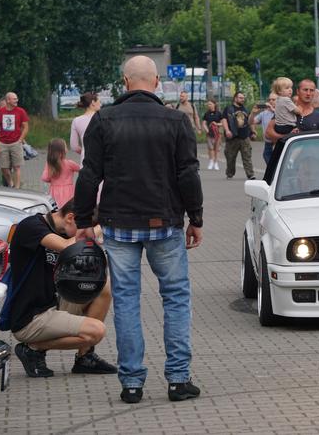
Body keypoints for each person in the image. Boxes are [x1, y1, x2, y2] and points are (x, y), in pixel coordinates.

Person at [74, 55, 203, 404]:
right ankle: (178, 380)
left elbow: (89, 175)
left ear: (126, 82)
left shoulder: (104, 119)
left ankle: (131, 383)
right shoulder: (175, 120)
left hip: (118, 225)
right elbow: (188, 174)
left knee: (127, 301)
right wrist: (197, 219)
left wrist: (84, 221)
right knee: (175, 298)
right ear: (157, 82)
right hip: (166, 224)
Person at [10, 199, 117, 378]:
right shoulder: (31, 227)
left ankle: (85, 358)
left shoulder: (64, 230)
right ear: (70, 218)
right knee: (96, 331)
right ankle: (33, 348)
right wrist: (100, 227)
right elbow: (67, 246)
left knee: (104, 287)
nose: (84, 236)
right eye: (84, 230)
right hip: (31, 318)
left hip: (55, 303)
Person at [0, 91, 29, 188]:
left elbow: (25, 126)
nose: (16, 100)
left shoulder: (21, 111)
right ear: (8, 100)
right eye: (14, 99)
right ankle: (11, 183)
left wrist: (20, 139)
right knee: (3, 167)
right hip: (3, 142)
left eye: (16, 98)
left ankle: (17, 188)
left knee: (17, 166)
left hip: (16, 142)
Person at [222, 91, 255, 180]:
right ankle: (230, 173)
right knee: (230, 157)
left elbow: (250, 122)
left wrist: (252, 132)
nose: (242, 99)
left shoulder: (245, 109)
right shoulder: (228, 109)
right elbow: (224, 120)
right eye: (240, 98)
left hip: (244, 137)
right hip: (233, 137)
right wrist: (227, 130)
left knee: (247, 156)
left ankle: (250, 174)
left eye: (243, 98)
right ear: (235, 98)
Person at [41, 138, 80, 208]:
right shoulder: (70, 163)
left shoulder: (50, 164)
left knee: (56, 210)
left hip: (54, 191)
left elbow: (44, 178)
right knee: (68, 210)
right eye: (65, 146)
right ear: (62, 150)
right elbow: (81, 170)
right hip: (68, 191)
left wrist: (52, 179)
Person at [70, 93, 101, 165]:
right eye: (99, 102)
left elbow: (74, 146)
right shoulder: (103, 118)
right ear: (93, 102)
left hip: (85, 162)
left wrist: (84, 151)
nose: (101, 104)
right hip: (102, 162)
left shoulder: (76, 120)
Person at [250, 93, 277, 165]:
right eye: (269, 100)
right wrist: (253, 113)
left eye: (273, 100)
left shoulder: (282, 111)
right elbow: (251, 122)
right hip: (268, 142)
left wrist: (273, 109)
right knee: (267, 157)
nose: (271, 101)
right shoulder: (264, 113)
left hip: (278, 141)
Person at [201, 99, 223, 170]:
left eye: (210, 104)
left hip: (217, 134)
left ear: (214, 104)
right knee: (210, 148)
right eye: (208, 104)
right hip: (209, 134)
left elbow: (223, 123)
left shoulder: (219, 113)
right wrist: (207, 130)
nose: (209, 105)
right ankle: (211, 161)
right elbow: (204, 123)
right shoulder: (206, 114)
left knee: (217, 149)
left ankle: (216, 162)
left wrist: (216, 124)